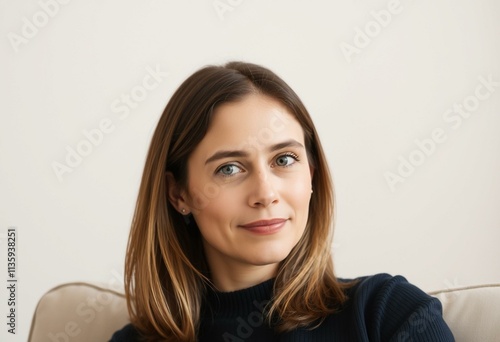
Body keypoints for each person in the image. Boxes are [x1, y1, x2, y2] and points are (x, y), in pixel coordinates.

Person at [110, 61, 454, 341]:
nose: (265, 193)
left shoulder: (389, 314)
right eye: (229, 168)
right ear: (178, 194)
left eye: (284, 159)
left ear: (312, 173)